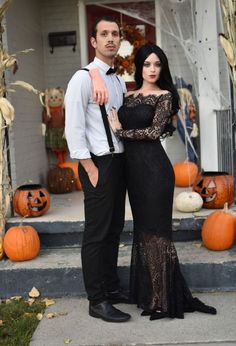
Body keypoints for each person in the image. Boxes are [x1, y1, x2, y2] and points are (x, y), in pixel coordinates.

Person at [105, 43, 217, 320]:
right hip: (134, 174)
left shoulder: (165, 96)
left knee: (158, 234)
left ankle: (162, 299)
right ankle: (151, 294)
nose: (153, 69)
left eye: (157, 65)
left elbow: (154, 132)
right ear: (139, 66)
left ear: (162, 68)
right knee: (144, 232)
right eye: (147, 64)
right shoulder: (128, 96)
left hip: (155, 172)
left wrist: (120, 131)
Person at [64, 16, 131, 323]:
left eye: (115, 34)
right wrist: (89, 167)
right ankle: (97, 300)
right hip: (98, 164)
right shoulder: (82, 79)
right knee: (97, 233)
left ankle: (112, 288)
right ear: (93, 41)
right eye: (103, 34)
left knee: (114, 230)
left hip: (118, 163)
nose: (110, 39)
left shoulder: (116, 79)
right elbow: (73, 128)